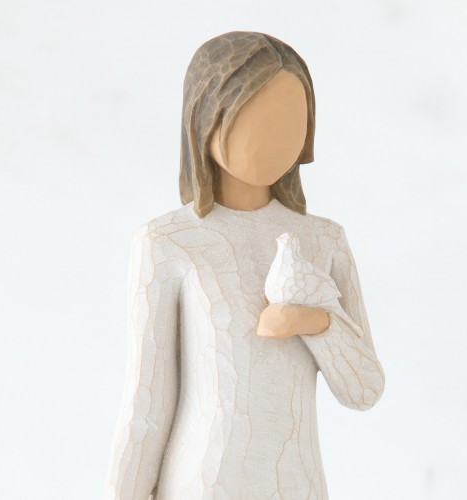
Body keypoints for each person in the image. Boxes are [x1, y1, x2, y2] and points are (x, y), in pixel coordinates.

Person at [102, 30, 385, 500]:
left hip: (297, 486)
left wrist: (314, 321)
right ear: (206, 117)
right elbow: (146, 408)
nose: (275, 138)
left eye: (291, 121)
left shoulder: (324, 241)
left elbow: (364, 389)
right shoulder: (167, 244)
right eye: (253, 118)